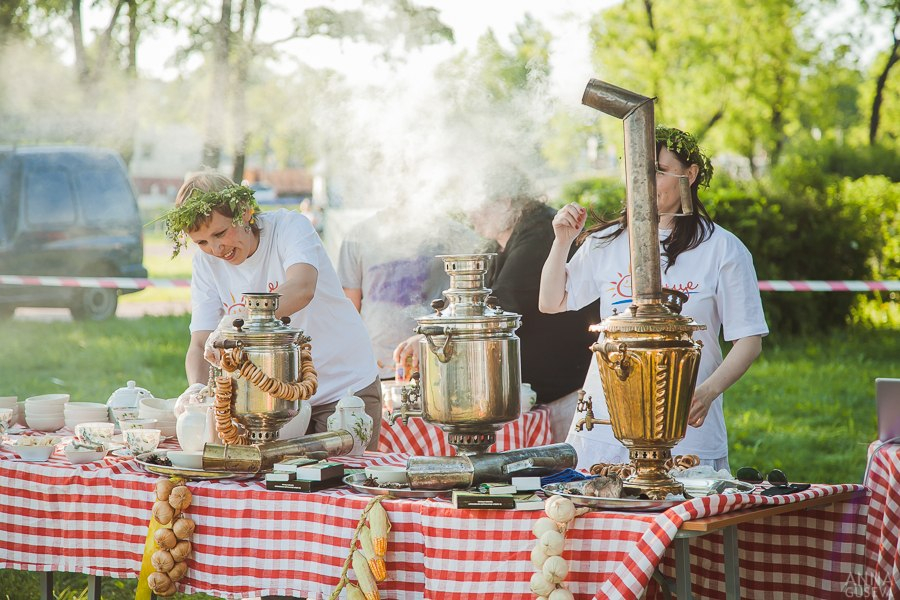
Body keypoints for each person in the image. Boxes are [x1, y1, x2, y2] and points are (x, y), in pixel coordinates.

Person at [539, 126, 768, 471]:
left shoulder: (722, 249)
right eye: (637, 169)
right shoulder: (606, 242)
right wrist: (562, 241)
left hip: (686, 432)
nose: (644, 180)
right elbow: (552, 301)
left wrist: (706, 393)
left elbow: (749, 340)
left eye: (659, 170)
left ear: (689, 175)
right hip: (604, 427)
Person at [164, 170, 381, 447]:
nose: (216, 249)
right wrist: (196, 389)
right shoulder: (206, 264)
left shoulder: (290, 227)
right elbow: (199, 343)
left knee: (339, 484)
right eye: (202, 242)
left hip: (344, 387)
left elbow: (302, 287)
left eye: (220, 233)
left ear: (244, 211)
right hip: (274, 402)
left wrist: (239, 321)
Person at [394, 183, 600, 443]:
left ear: (504, 201)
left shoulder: (540, 232)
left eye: (476, 204)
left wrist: (435, 335)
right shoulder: (495, 244)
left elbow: (502, 302)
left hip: (565, 396)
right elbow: (466, 299)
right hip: (533, 400)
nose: (469, 215)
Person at [337, 206, 480, 380]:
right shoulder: (357, 236)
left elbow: (470, 304)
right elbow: (349, 311)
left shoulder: (450, 233)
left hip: (439, 364)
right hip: (375, 368)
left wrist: (428, 339)